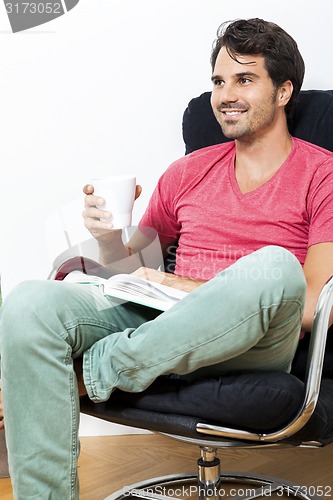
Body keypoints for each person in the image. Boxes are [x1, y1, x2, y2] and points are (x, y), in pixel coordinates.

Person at [1, 17, 333, 499]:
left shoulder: (322, 175)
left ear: (283, 92)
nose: (225, 95)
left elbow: (308, 306)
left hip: (256, 336)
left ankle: (96, 374)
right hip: (165, 328)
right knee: (30, 302)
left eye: (244, 79)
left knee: (277, 268)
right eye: (219, 81)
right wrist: (112, 239)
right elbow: (133, 270)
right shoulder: (188, 172)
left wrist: (192, 289)